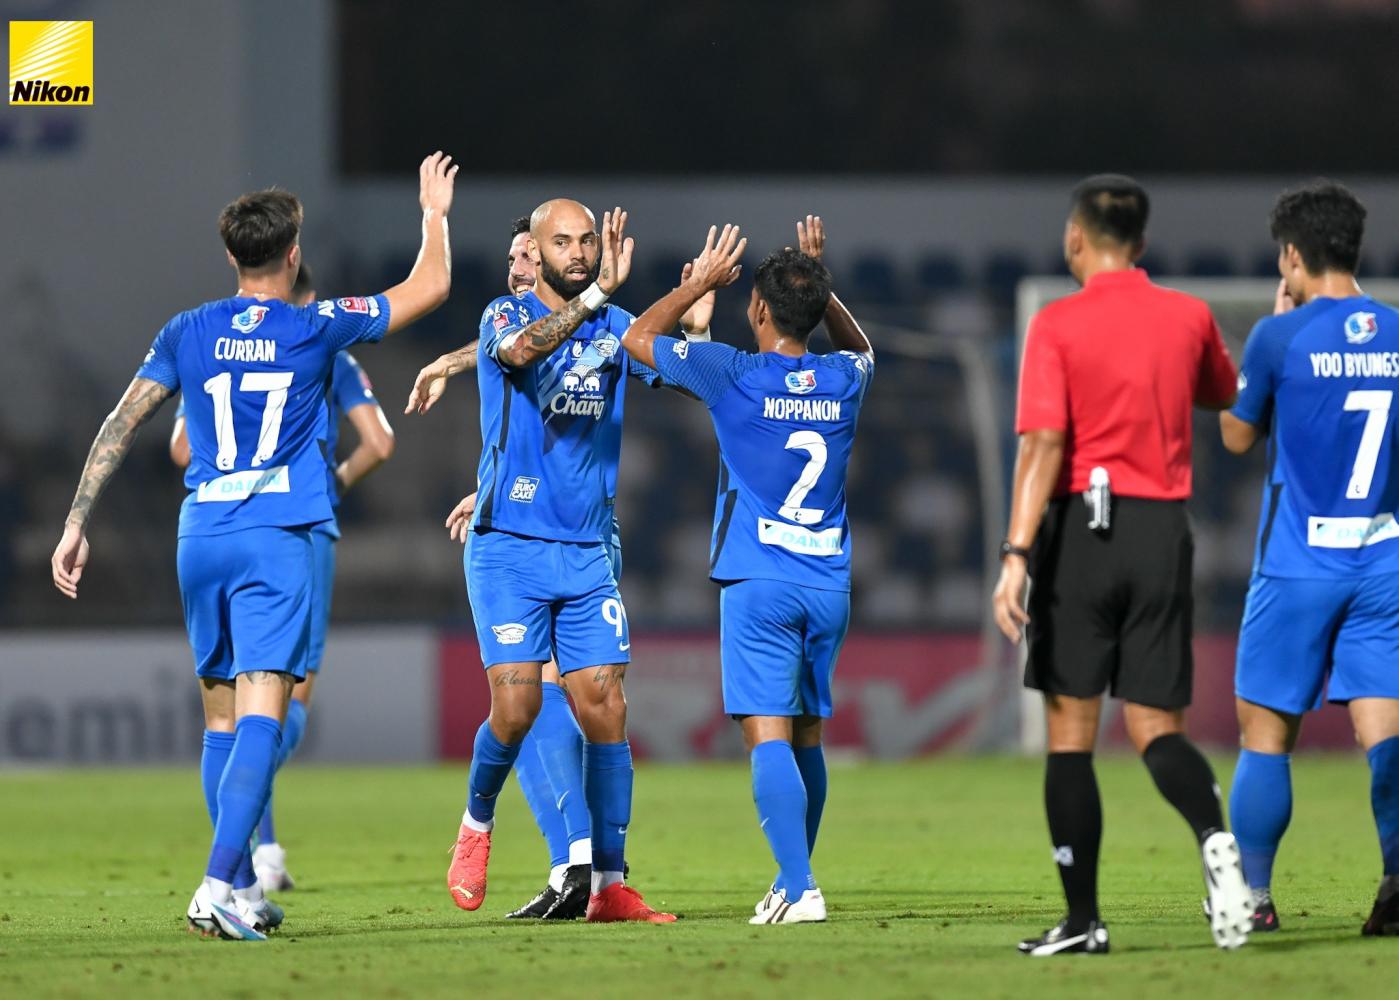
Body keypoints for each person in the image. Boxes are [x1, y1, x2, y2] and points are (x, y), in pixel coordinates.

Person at [50, 151, 458, 940]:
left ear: (231, 256)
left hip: (202, 533)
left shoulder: (186, 330)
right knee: (267, 709)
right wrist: (432, 214)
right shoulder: (316, 327)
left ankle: (240, 889)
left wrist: (75, 520)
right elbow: (429, 287)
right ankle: (216, 887)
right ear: (294, 253)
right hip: (277, 534)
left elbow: (122, 423)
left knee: (220, 721)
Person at [416, 212, 713, 920]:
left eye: (587, 242)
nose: (578, 254)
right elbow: (518, 354)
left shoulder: (614, 325)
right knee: (515, 710)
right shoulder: (504, 313)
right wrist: (596, 297)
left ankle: (607, 883)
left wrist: (695, 327)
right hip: (509, 548)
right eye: (562, 244)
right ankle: (476, 823)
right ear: (536, 256)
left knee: (605, 709)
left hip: (584, 550)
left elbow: (687, 380)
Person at [990, 174, 1252, 955]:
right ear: (1139, 245)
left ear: (1075, 239)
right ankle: (1215, 841)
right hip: (1162, 531)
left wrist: (1014, 556)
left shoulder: (1058, 324)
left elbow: (1041, 444)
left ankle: (1081, 922)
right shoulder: (1188, 316)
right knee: (1155, 730)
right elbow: (1226, 394)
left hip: (1084, 531)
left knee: (1070, 736)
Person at [617, 217, 872, 925]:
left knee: (766, 735)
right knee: (809, 733)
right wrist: (824, 294)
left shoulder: (732, 372)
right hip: (828, 582)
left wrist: (694, 284)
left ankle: (798, 887)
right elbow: (863, 348)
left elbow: (634, 339)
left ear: (756, 309)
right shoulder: (844, 378)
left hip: (760, 581)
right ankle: (795, 879)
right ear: (813, 313)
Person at [170, 262, 397, 893]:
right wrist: (334, 485)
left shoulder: (205, 344)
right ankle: (251, 859)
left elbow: (181, 451)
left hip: (212, 521)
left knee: (227, 709)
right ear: (306, 294)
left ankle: (256, 858)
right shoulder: (323, 346)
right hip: (297, 530)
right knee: (280, 702)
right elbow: (380, 441)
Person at [1221, 179, 1399, 938]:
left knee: (1265, 735)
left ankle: (1253, 899)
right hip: (1385, 560)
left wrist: (1271, 328)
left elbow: (1235, 436)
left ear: (1291, 255)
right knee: (1385, 734)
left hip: (1298, 562)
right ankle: (1395, 882)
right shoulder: (1396, 331)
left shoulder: (1279, 337)